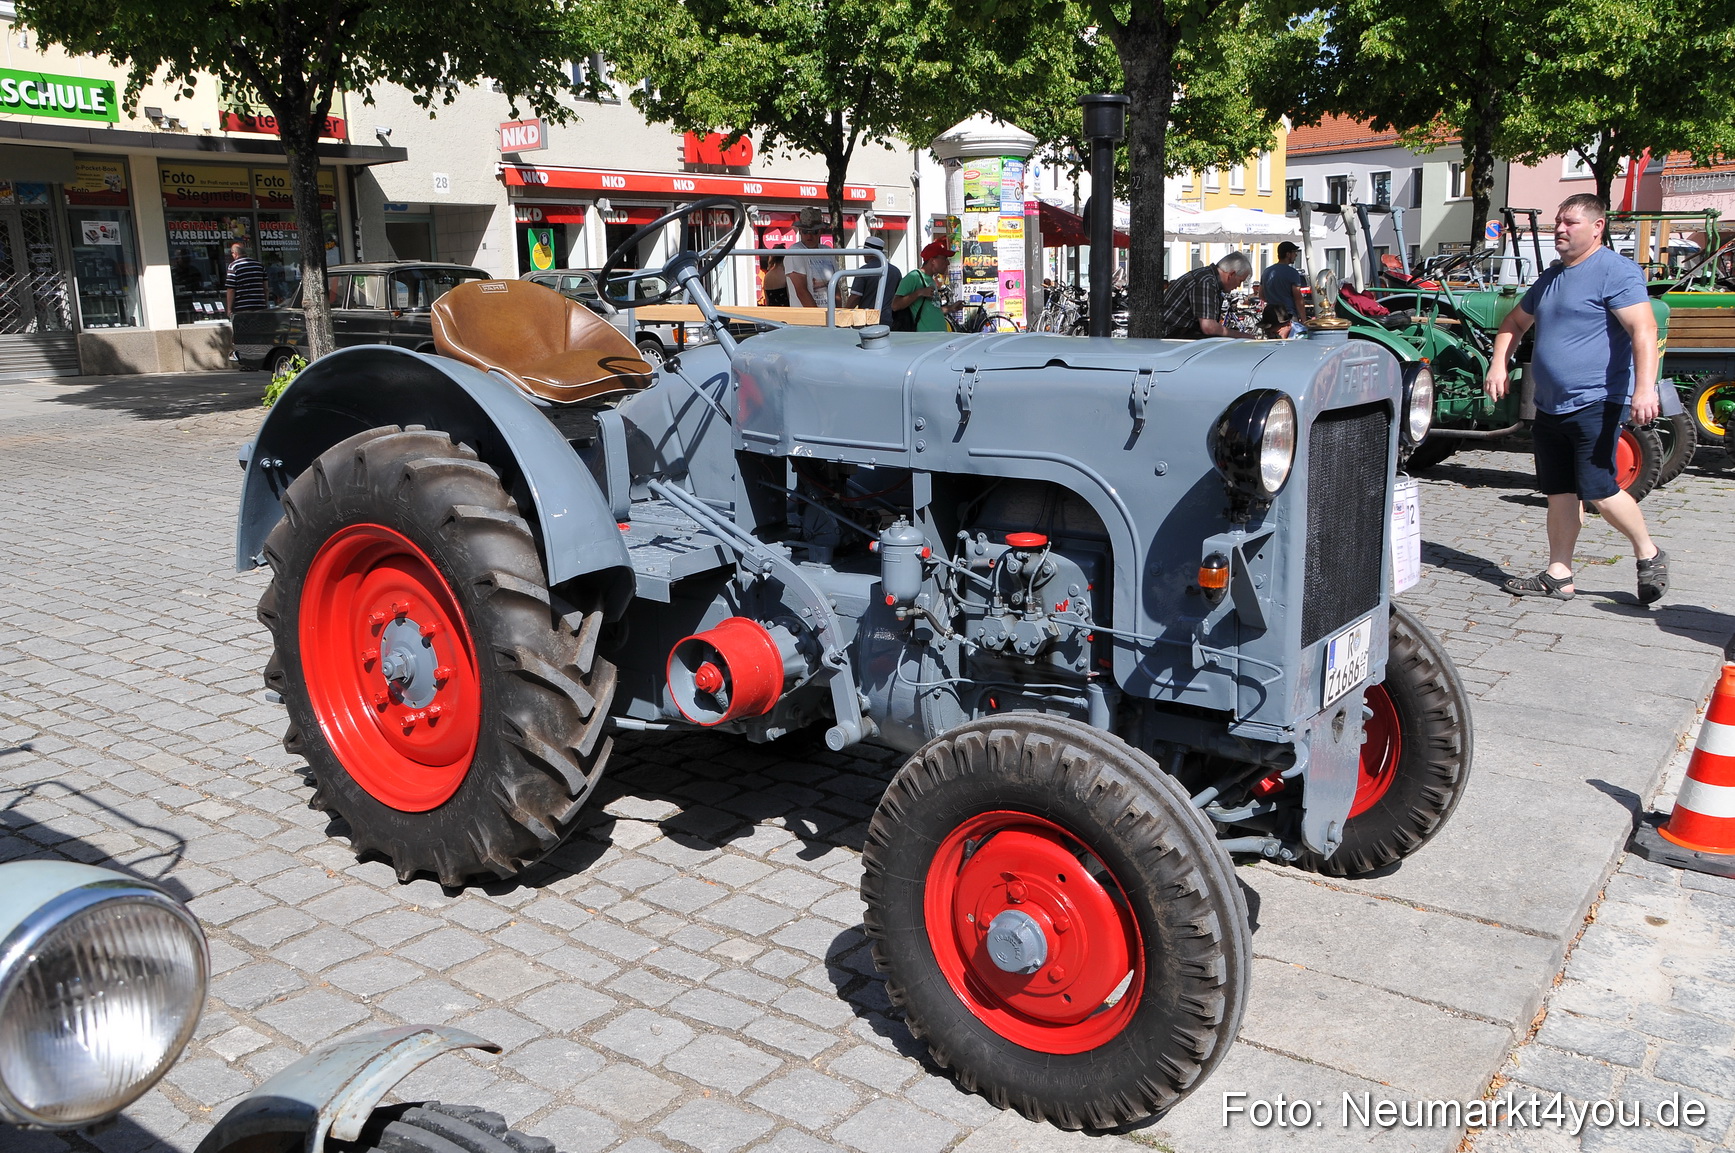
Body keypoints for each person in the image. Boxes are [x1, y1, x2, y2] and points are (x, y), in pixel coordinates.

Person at [1487, 193, 1668, 604]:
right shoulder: (1551, 277)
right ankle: (1559, 574)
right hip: (1550, 403)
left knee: (1599, 489)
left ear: (1597, 226)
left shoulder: (1615, 272)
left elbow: (1643, 330)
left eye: (1570, 222)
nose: (1560, 230)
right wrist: (1499, 363)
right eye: (1557, 222)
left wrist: (1644, 389)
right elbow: (1514, 321)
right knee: (1560, 491)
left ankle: (1650, 554)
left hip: (1597, 401)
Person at [1159, 252, 1252, 339]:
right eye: (1240, 281)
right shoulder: (1205, 282)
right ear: (1231, 275)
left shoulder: (1208, 278)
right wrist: (1242, 336)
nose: (1239, 286)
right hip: (1171, 338)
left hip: (1178, 335)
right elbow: (1209, 327)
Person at [893, 241, 954, 331]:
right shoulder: (914, 277)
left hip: (938, 337)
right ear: (933, 261)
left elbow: (933, 311)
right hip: (926, 339)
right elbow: (895, 305)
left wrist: (951, 308)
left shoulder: (931, 279)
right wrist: (919, 293)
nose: (948, 263)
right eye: (944, 258)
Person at [785, 207, 838, 308]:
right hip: (807, 319)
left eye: (814, 232)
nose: (809, 236)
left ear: (820, 231)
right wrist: (819, 318)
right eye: (805, 231)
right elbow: (801, 292)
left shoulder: (828, 251)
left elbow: (836, 289)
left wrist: (839, 313)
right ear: (800, 231)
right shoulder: (795, 252)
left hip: (830, 316)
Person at [846, 236, 902, 325]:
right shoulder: (895, 272)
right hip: (889, 319)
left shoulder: (864, 271)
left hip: (867, 319)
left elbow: (855, 297)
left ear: (869, 253)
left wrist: (844, 313)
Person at [1261, 242, 1308, 325]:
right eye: (1294, 252)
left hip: (1271, 315)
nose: (1296, 255)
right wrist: (1304, 320)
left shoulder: (1266, 272)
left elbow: (1261, 295)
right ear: (1288, 254)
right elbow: (1298, 299)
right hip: (1288, 315)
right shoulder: (1292, 273)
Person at [224, 242, 268, 315]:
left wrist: (229, 309)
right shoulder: (259, 265)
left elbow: (231, 289)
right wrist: (265, 303)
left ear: (235, 253)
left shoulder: (233, 266)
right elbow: (266, 288)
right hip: (260, 306)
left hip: (243, 307)